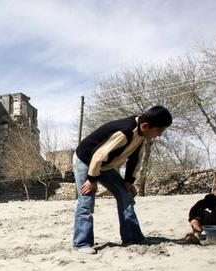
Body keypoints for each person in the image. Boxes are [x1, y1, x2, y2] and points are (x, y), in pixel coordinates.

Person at [72, 105, 173, 254]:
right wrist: (92, 180)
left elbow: (135, 158)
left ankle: (133, 237)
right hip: (86, 161)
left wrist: (128, 181)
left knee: (125, 195)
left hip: (104, 165)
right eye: (159, 130)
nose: (160, 134)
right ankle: (82, 243)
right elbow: (98, 155)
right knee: (86, 199)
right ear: (146, 126)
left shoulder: (141, 135)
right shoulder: (125, 131)